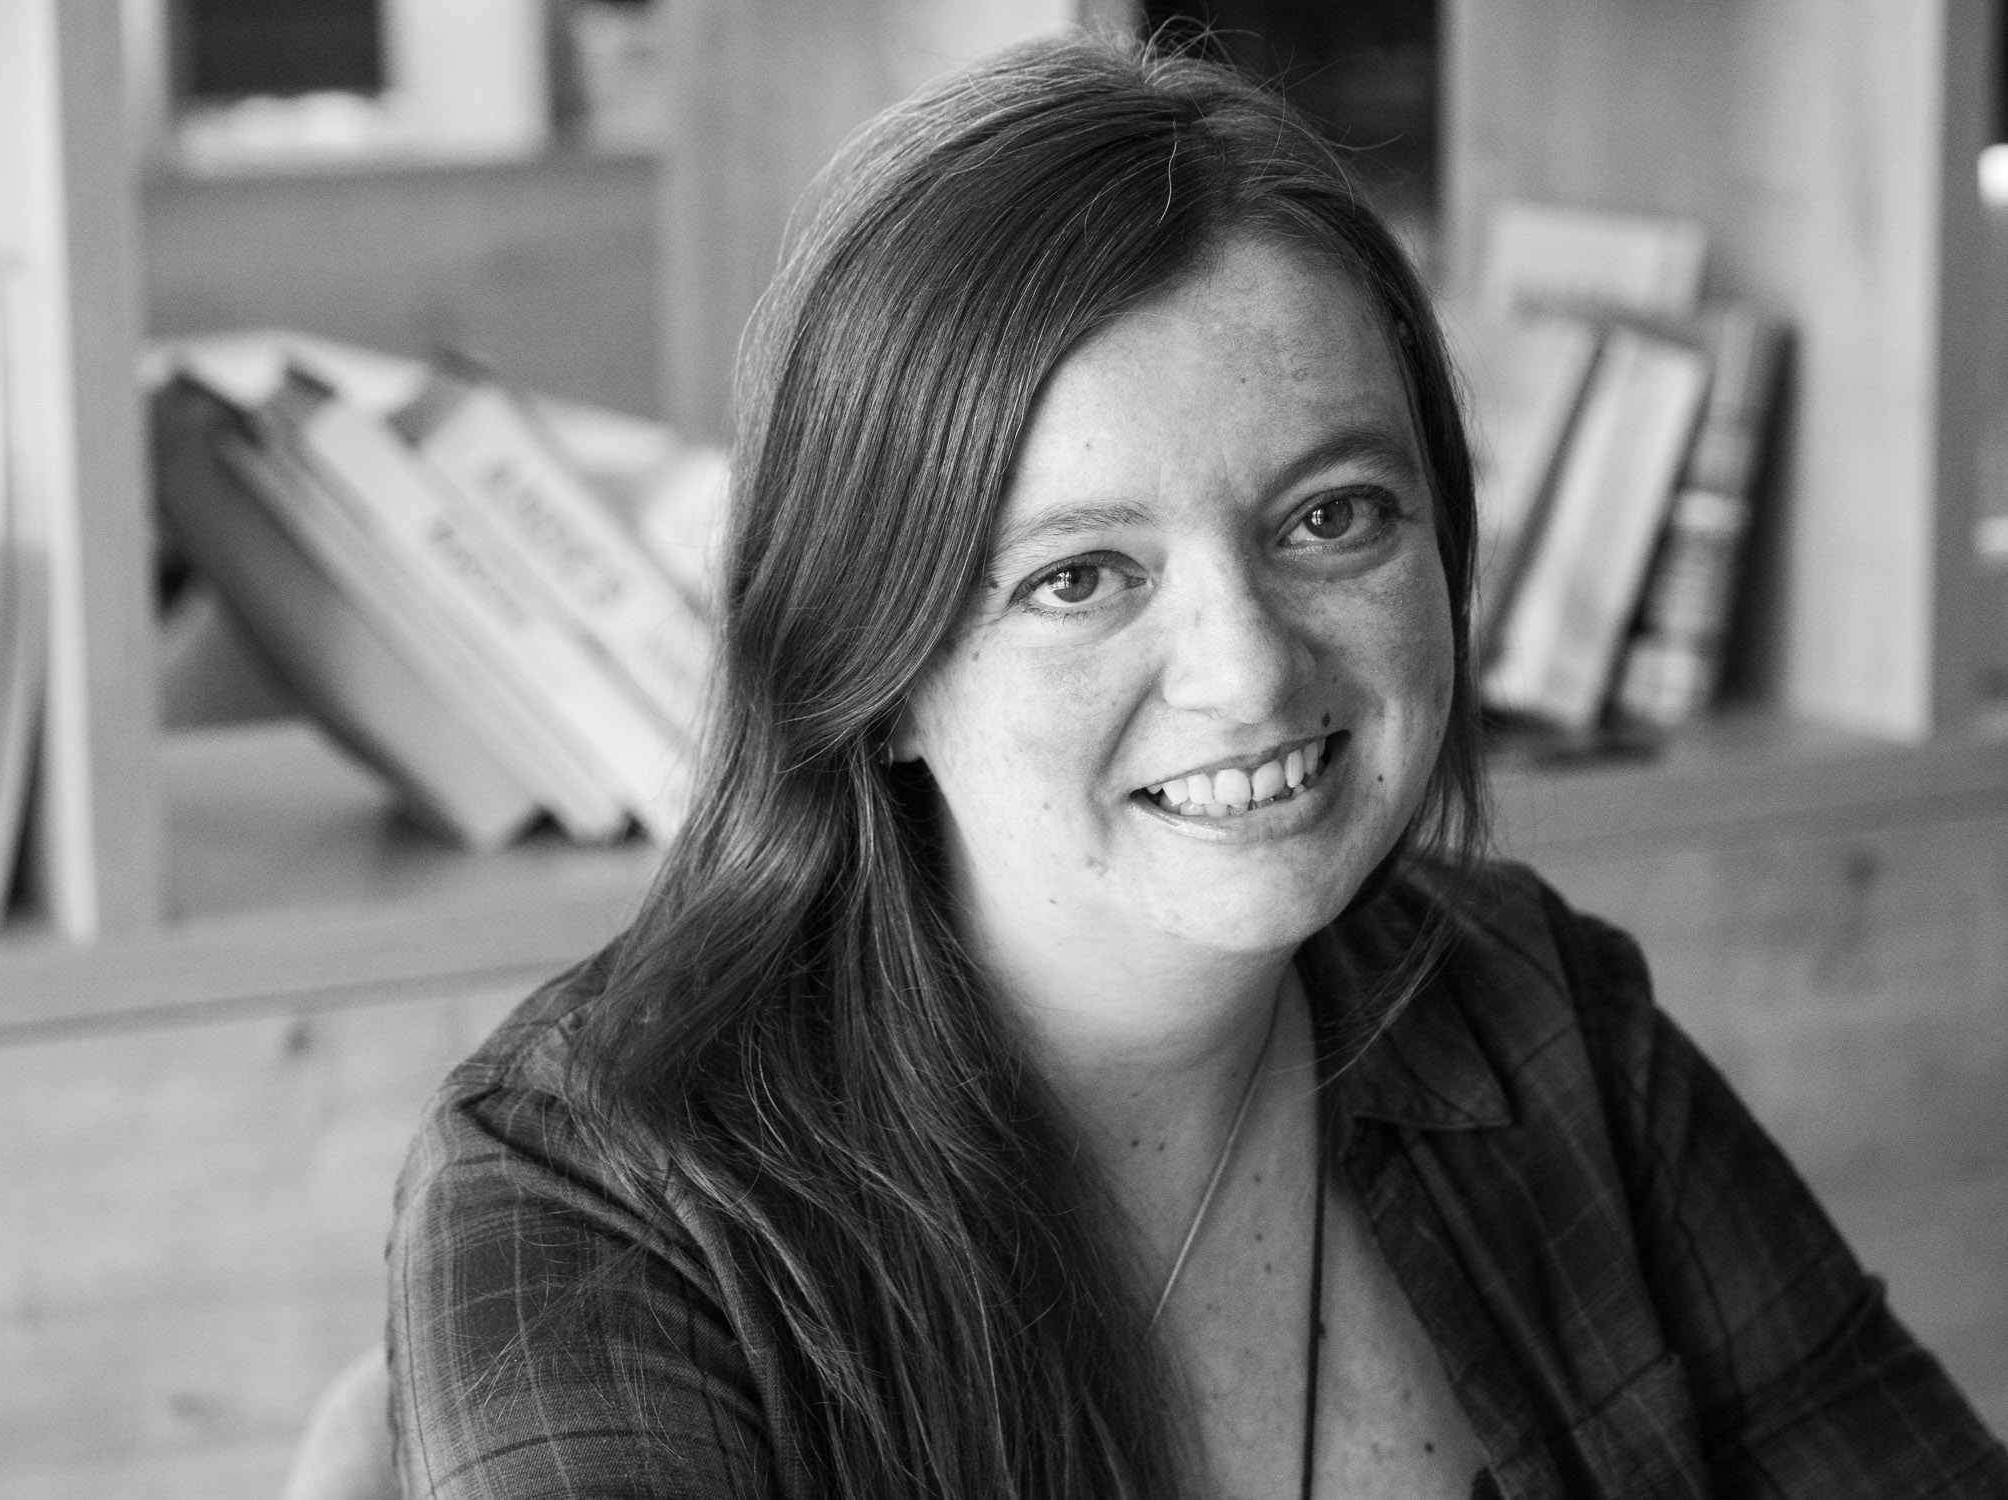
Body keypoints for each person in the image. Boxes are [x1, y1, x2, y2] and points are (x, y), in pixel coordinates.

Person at [388, 34, 2008, 1500]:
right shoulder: (593, 1209)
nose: (1246, 669)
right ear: (866, 672)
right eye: (1078, 576)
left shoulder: (1539, 1020)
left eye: (1329, 517)